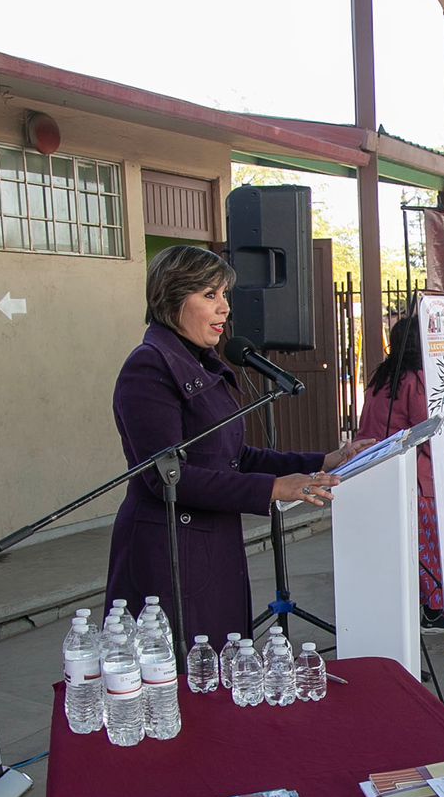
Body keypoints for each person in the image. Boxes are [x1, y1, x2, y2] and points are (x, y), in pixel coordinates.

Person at [105, 246, 371, 644]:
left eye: (224, 295)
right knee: (184, 677)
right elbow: (167, 479)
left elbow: (236, 458)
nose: (224, 308)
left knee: (218, 665)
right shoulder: (149, 367)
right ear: (172, 298)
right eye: (210, 295)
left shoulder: (202, 362)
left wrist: (325, 460)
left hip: (213, 546)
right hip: (169, 553)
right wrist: (272, 489)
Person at [357, 312, 444, 627]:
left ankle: (411, 605)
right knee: (425, 545)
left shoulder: (381, 376)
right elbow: (427, 433)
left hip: (374, 471)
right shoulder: (415, 379)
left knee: (398, 547)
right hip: (413, 478)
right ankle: (433, 607)